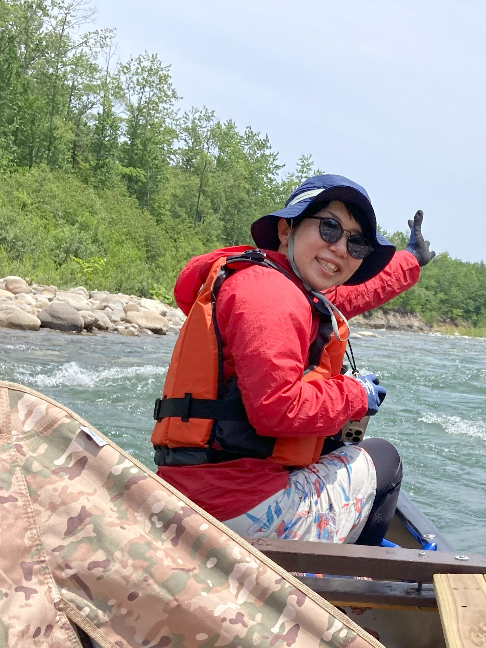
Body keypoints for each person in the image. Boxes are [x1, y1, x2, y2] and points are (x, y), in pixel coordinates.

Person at [152, 174, 436, 548]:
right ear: (286, 229)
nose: (340, 248)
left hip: (198, 493)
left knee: (333, 446)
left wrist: (409, 262)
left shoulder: (273, 283)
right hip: (237, 508)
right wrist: (355, 393)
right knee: (385, 459)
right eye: (330, 228)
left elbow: (350, 296)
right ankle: (353, 588)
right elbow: (277, 408)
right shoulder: (270, 294)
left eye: (357, 242)